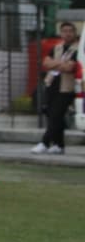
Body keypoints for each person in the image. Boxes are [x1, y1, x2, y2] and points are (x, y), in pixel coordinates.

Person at [34, 20, 79, 155]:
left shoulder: (77, 49)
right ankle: (59, 144)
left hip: (67, 87)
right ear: (61, 33)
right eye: (64, 31)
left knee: (56, 115)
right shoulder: (57, 47)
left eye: (70, 31)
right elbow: (46, 63)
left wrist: (56, 64)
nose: (67, 34)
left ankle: (45, 142)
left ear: (75, 33)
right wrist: (60, 63)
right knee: (52, 114)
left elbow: (70, 67)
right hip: (52, 83)